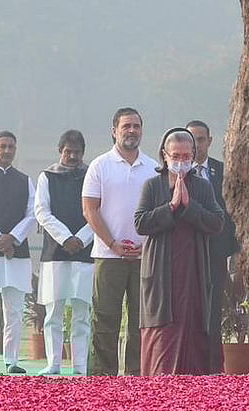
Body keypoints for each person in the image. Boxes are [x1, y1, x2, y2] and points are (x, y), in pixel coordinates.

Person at [135, 128, 223, 375]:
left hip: (193, 270)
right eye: (176, 156)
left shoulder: (203, 188)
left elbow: (217, 223)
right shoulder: (152, 186)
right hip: (161, 273)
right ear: (165, 155)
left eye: (186, 156)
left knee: (194, 326)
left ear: (194, 156)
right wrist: (172, 206)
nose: (181, 162)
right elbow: (141, 223)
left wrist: (189, 206)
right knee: (161, 332)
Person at [82, 107, 158, 376]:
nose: (132, 131)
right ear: (114, 130)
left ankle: (136, 377)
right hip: (107, 255)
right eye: (126, 126)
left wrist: (147, 245)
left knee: (141, 321)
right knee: (105, 319)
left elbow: (159, 214)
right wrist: (112, 243)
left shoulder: (153, 168)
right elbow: (90, 209)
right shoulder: (99, 166)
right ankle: (102, 378)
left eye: (136, 126)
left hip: (144, 257)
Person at [34, 130, 94, 375]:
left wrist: (80, 238)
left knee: (81, 312)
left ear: (83, 153)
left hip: (84, 252)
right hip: (55, 253)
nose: (72, 156)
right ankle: (54, 364)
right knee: (53, 312)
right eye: (68, 151)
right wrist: (65, 237)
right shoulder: (47, 176)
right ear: (60, 151)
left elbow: (98, 210)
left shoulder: (91, 175)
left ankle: (80, 366)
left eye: (77, 152)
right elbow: (42, 211)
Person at [187, 120, 240, 373]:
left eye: (200, 139)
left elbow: (235, 215)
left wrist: (236, 253)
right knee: (187, 312)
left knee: (213, 312)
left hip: (216, 253)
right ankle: (189, 367)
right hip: (185, 254)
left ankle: (214, 367)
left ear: (209, 141)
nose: (196, 145)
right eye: (191, 139)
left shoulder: (224, 172)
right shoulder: (175, 172)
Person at [0, 131, 36, 374]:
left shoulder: (25, 180)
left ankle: (11, 361)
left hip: (16, 253)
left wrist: (12, 238)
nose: (7, 150)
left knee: (14, 309)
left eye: (11, 146)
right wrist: (0, 239)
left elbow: (33, 214)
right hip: (2, 247)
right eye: (2, 146)